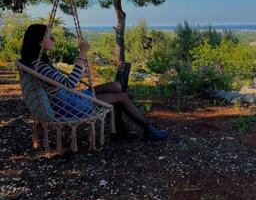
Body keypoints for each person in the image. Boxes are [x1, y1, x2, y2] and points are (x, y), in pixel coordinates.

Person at [20, 24, 168, 141]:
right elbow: (70, 84)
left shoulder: (35, 63)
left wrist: (78, 73)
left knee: (115, 86)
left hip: (68, 97)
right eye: (50, 37)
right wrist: (82, 54)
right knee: (121, 96)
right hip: (70, 104)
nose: (54, 39)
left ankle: (120, 131)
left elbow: (61, 83)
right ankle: (148, 130)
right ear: (40, 41)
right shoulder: (40, 66)